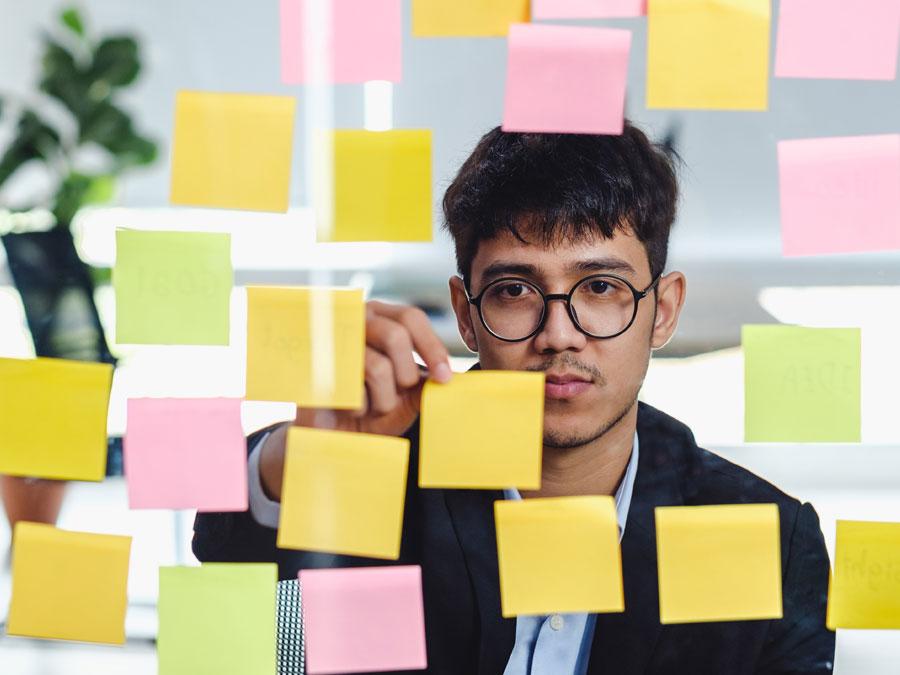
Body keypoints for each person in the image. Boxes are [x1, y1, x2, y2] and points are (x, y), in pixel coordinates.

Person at [193, 122, 835, 674]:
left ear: (662, 311)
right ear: (465, 317)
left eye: (602, 287)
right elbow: (234, 576)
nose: (558, 334)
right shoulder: (378, 472)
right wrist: (303, 465)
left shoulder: (767, 539)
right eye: (513, 291)